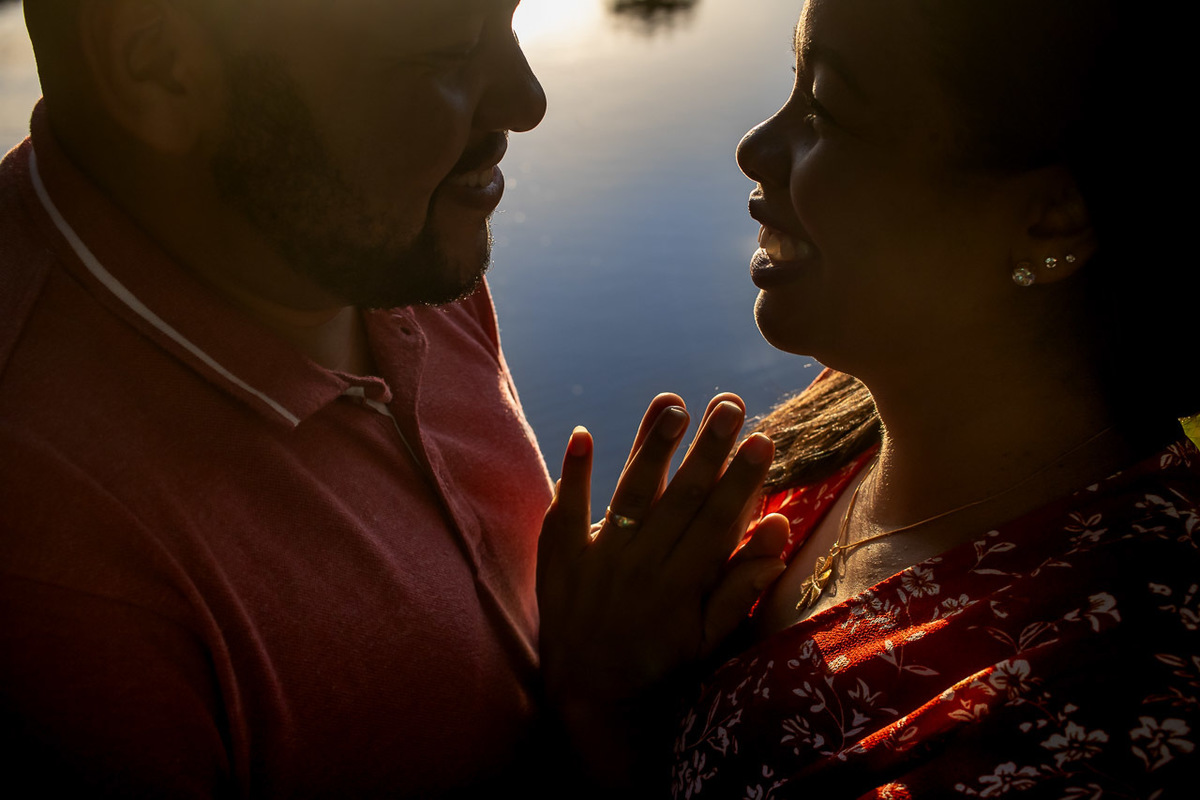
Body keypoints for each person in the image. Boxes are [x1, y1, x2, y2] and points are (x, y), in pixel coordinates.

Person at [542, 0, 1200, 796]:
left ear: (1053, 216)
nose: (753, 147)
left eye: (827, 108)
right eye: (792, 81)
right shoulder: (857, 412)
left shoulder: (1098, 706)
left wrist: (603, 712)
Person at [0, 0, 560, 794]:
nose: (526, 100)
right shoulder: (54, 584)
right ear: (160, 65)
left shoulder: (364, 236)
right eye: (445, 52)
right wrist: (604, 744)